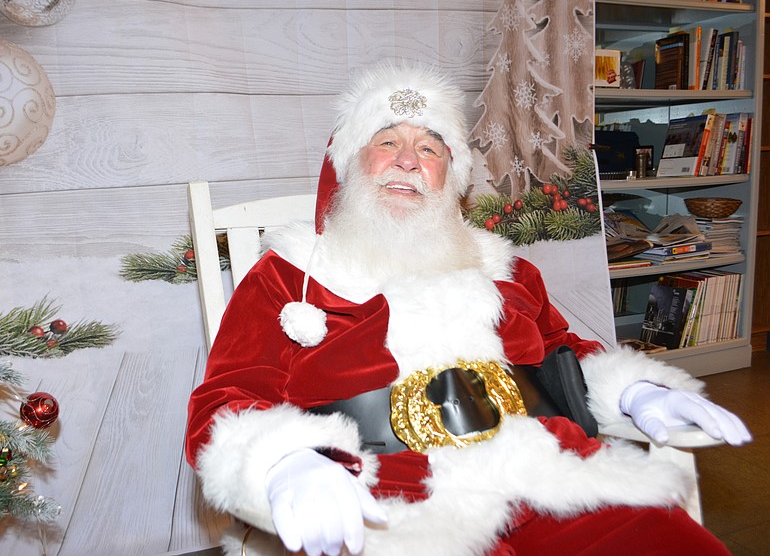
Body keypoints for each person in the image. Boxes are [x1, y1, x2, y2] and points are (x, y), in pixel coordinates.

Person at [185, 62, 751, 556]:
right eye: (387, 141)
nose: (408, 160)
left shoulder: (506, 272)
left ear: (450, 179)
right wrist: (283, 462)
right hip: (390, 503)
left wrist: (635, 390)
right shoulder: (290, 276)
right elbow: (224, 401)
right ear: (349, 164)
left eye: (430, 147)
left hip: (546, 477)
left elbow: (566, 356)